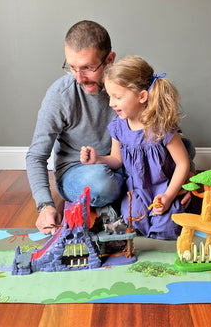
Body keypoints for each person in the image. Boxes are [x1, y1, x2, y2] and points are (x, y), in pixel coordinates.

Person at [26, 20, 125, 235]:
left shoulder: (127, 85)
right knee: (100, 182)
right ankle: (127, 195)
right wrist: (45, 205)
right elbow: (36, 155)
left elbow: (163, 130)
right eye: (72, 68)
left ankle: (117, 199)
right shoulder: (60, 95)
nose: (79, 78)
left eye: (88, 68)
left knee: (182, 145)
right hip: (79, 171)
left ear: (110, 59)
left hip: (123, 161)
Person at [80, 55, 190, 240]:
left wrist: (169, 196)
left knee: (166, 228)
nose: (111, 103)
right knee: (134, 224)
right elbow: (116, 160)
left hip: (164, 188)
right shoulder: (118, 125)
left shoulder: (161, 126)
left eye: (118, 97)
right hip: (137, 193)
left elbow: (183, 163)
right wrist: (97, 159)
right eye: (110, 96)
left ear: (142, 96)